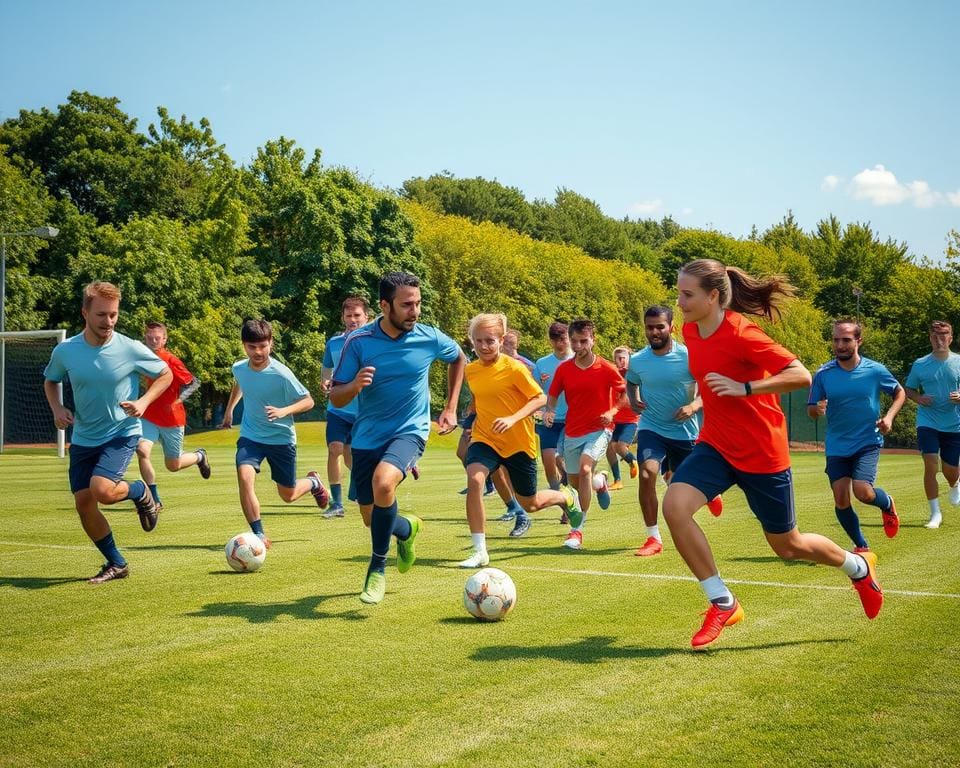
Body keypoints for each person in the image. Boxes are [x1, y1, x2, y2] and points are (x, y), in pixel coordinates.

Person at [662, 259, 883, 649]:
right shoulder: (692, 331)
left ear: (713, 296)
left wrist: (744, 387)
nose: (679, 302)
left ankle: (858, 566)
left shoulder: (744, 333)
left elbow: (801, 375)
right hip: (716, 445)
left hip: (762, 453)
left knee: (788, 546)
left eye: (687, 294)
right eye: (679, 292)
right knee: (675, 507)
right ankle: (723, 601)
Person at [330, 271, 466, 605]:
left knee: (384, 484)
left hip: (410, 430)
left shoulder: (429, 337)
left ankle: (377, 569)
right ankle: (406, 529)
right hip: (366, 436)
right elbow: (335, 397)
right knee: (370, 517)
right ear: (384, 305)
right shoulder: (358, 342)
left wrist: (450, 408)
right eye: (407, 305)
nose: (415, 311)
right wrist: (355, 385)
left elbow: (459, 357)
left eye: (418, 304)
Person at [43, 281, 173, 583]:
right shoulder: (66, 351)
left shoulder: (129, 348)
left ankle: (140, 491)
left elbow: (164, 375)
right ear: (85, 313)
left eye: (113, 314)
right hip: (85, 437)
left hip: (121, 432)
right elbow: (51, 381)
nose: (109, 322)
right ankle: (116, 563)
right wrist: (57, 409)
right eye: (101, 315)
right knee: (84, 504)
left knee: (102, 490)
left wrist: (143, 401)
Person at [458, 313, 582, 566]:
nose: (484, 346)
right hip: (486, 438)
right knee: (475, 480)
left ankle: (566, 497)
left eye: (490, 341)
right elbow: (483, 397)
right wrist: (465, 416)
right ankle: (480, 551)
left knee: (531, 503)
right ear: (472, 341)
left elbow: (539, 398)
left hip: (518, 443)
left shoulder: (514, 368)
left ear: (501, 340)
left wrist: (513, 419)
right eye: (478, 341)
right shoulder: (471, 370)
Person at [220, 319, 329, 548]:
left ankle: (313, 483)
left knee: (287, 495)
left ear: (271, 343)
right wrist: (230, 410)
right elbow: (239, 383)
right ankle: (258, 533)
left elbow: (308, 401)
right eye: (252, 347)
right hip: (251, 436)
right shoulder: (238, 368)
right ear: (244, 346)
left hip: (281, 439)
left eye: (263, 346)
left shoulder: (281, 373)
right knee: (244, 476)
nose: (258, 352)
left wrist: (283, 411)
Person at [626, 306, 722, 558]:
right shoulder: (637, 360)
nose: (654, 331)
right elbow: (632, 381)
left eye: (660, 326)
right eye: (649, 327)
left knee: (685, 485)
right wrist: (633, 399)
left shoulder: (689, 356)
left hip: (685, 432)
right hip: (651, 426)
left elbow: (707, 387)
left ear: (672, 327)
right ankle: (653, 537)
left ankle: (710, 494)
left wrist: (694, 405)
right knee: (647, 473)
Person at [808, 320, 905, 551]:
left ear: (858, 341)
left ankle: (887, 503)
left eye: (846, 340)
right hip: (837, 444)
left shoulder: (875, 370)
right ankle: (861, 546)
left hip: (867, 441)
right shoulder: (823, 374)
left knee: (863, 492)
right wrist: (817, 409)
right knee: (841, 498)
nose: (840, 345)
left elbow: (899, 392)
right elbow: (811, 410)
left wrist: (889, 418)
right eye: (836, 340)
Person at [544, 319, 626, 549]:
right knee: (575, 481)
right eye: (574, 341)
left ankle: (576, 531)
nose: (579, 345)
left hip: (600, 430)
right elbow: (552, 396)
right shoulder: (564, 370)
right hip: (573, 431)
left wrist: (612, 411)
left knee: (585, 468)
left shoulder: (606, 368)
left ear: (593, 340)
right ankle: (600, 483)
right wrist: (549, 411)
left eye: (584, 341)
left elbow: (624, 395)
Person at [136, 321, 211, 510]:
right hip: (149, 416)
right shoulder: (141, 358)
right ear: (145, 338)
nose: (153, 341)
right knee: (142, 450)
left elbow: (194, 383)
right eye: (149, 337)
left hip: (172, 420)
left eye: (157, 338)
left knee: (173, 465)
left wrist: (178, 401)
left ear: (164, 339)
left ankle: (199, 457)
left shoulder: (170, 360)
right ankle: (154, 499)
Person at [904, 320, 960, 529]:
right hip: (927, 421)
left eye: (944, 336)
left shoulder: (959, 362)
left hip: (954, 424)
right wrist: (918, 399)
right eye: (935, 337)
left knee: (950, 470)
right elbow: (908, 389)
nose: (939, 340)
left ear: (950, 338)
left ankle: (955, 483)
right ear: (930, 339)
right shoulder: (920, 364)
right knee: (930, 464)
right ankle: (935, 514)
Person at [320, 296, 370, 518]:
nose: (353, 320)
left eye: (357, 315)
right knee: (335, 449)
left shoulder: (373, 342)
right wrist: (325, 381)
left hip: (364, 411)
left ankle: (364, 486)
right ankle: (337, 504)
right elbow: (326, 368)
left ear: (366, 317)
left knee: (352, 458)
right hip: (338, 409)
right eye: (348, 316)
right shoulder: (334, 343)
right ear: (343, 317)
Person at [532, 321, 573, 504]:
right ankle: (561, 501)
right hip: (549, 420)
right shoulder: (542, 364)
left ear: (570, 338)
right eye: (554, 339)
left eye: (562, 339)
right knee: (549, 463)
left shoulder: (579, 361)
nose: (559, 343)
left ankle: (571, 498)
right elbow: (535, 392)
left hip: (572, 420)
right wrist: (539, 411)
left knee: (565, 462)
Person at [606, 345, 640, 490]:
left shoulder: (634, 375)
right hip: (615, 420)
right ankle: (618, 480)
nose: (620, 361)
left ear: (629, 359)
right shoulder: (612, 374)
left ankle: (633, 461)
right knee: (610, 448)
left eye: (623, 358)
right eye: (617, 358)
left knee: (620, 446)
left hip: (631, 421)